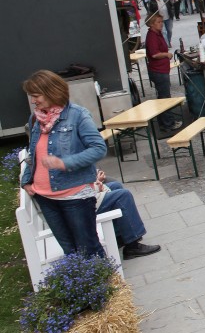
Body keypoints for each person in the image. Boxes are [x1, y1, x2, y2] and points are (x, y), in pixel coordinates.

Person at [20, 69, 108, 258]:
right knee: (71, 253)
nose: (33, 101)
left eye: (36, 96)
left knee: (88, 250)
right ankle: (82, 279)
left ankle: (103, 278)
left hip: (75, 197)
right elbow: (33, 153)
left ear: (52, 92)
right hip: (45, 198)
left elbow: (99, 149)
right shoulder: (36, 118)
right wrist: (26, 181)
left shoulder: (78, 115)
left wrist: (64, 163)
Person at [94, 170, 161, 258]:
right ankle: (132, 246)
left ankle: (119, 237)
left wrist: (95, 175)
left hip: (88, 191)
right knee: (124, 196)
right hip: (86, 200)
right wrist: (97, 184)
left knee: (116, 185)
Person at [144, 12, 183, 133]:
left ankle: (164, 122)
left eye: (161, 21)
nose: (161, 24)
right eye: (158, 22)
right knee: (165, 98)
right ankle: (168, 123)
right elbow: (155, 54)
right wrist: (167, 54)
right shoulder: (152, 36)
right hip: (158, 71)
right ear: (152, 24)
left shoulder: (157, 33)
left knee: (163, 97)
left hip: (161, 69)